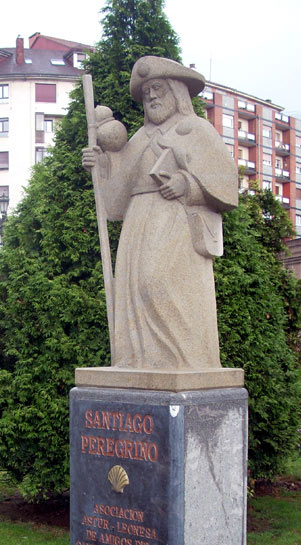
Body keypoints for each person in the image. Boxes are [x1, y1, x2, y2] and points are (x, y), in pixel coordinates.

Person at [82, 56, 238, 371]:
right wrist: (100, 166)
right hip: (139, 222)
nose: (151, 96)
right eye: (147, 92)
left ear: (176, 92)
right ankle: (138, 359)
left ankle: (184, 360)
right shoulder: (139, 137)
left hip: (175, 221)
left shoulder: (194, 128)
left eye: (158, 89)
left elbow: (227, 182)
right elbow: (115, 200)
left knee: (158, 282)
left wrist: (188, 183)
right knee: (134, 289)